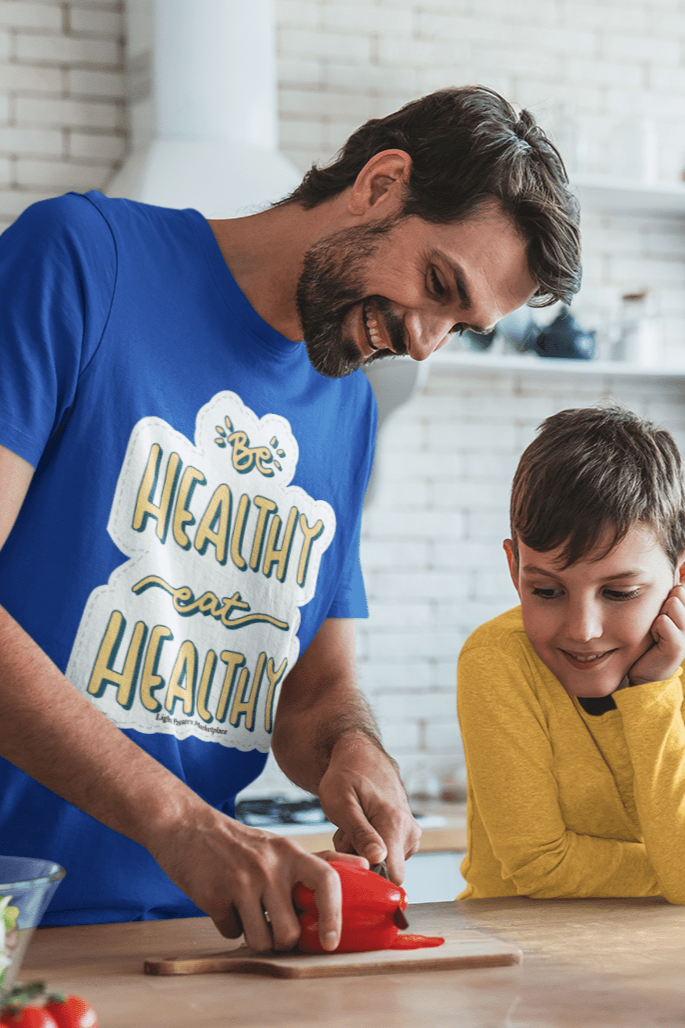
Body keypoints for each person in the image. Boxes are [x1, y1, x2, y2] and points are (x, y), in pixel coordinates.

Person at [0, 85, 580, 952]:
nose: (423, 343)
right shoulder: (83, 261)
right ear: (382, 183)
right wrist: (180, 822)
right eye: (436, 284)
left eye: (459, 326)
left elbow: (313, 690)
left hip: (199, 939)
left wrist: (354, 750)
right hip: (13, 914)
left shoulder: (347, 409)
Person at [457, 405, 685, 902]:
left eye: (620, 593)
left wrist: (654, 693)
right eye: (547, 591)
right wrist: (666, 873)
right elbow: (541, 865)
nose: (583, 631)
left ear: (680, 576)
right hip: (513, 960)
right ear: (514, 567)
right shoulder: (498, 660)